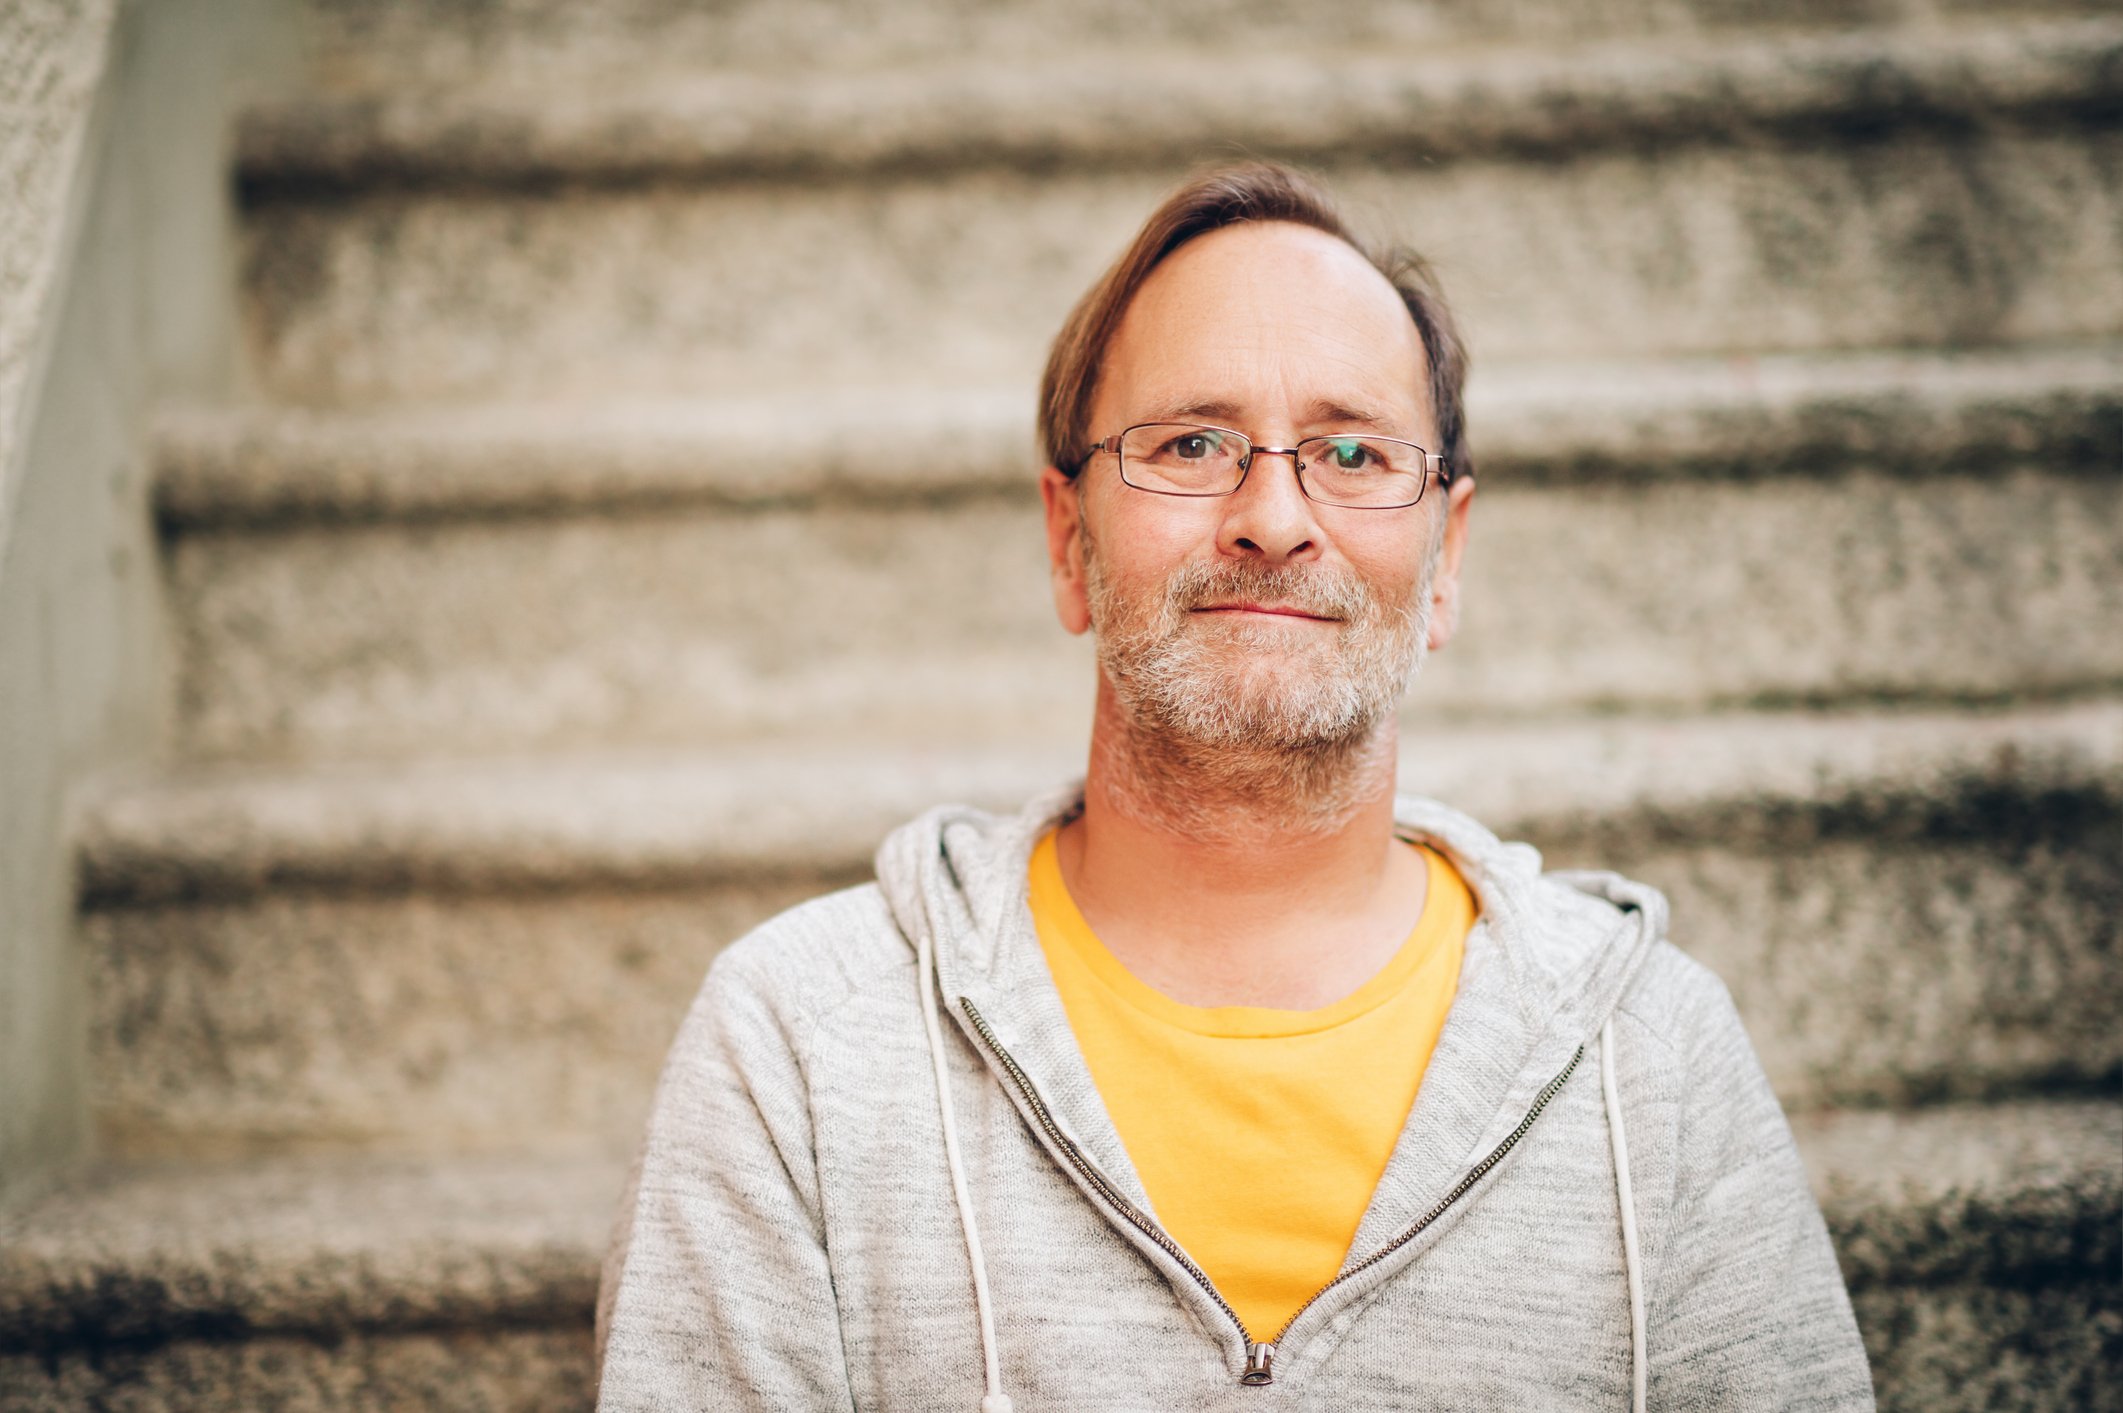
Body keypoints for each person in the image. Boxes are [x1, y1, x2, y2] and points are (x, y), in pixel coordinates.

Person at [594, 161, 1873, 1411]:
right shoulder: (799, 1043)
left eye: (1354, 454)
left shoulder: (1651, 1052)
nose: (1271, 515)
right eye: (1192, 442)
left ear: (1445, 562)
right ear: (1067, 541)